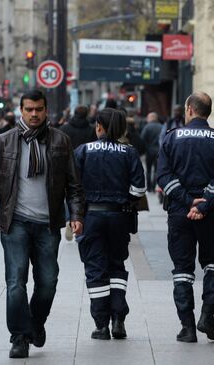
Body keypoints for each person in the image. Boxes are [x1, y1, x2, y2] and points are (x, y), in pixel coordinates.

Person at [0, 89, 85, 359]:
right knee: (15, 281)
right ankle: (19, 336)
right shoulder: (4, 142)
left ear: (46, 111)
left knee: (48, 281)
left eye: (39, 109)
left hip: (48, 224)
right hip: (16, 223)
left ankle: (35, 323)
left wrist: (76, 215)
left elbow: (74, 185)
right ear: (21, 111)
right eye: (29, 109)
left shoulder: (60, 141)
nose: (34, 114)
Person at [156, 91, 214, 343]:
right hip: (211, 215)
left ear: (189, 109)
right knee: (213, 264)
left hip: (179, 213)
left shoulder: (170, 138)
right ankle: (207, 316)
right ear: (207, 111)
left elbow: (163, 177)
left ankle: (187, 327)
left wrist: (188, 201)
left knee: (182, 270)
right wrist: (204, 205)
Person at [73, 108, 146, 341]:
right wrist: (125, 199)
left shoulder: (83, 151)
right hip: (119, 217)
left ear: (98, 127)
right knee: (117, 266)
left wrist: (74, 214)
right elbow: (139, 189)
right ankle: (118, 321)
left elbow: (73, 186)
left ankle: (101, 325)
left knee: (95, 269)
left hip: (91, 217)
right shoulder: (129, 152)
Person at [140, 112, 162, 192]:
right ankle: (153, 187)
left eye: (148, 118)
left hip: (149, 151)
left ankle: (149, 187)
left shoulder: (147, 127)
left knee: (148, 170)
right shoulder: (161, 127)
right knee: (156, 170)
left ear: (151, 118)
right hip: (158, 152)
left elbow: (142, 139)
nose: (147, 119)